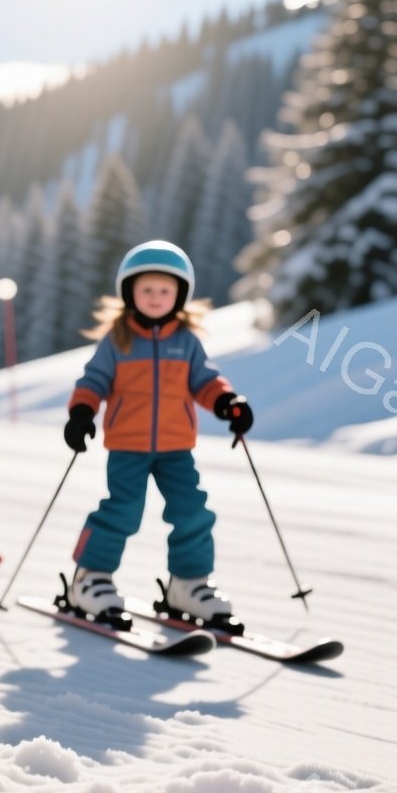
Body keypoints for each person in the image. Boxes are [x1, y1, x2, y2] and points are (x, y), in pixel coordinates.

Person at [61, 240, 254, 632]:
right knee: (122, 511)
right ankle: (90, 579)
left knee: (192, 511)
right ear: (128, 292)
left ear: (179, 295)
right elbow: (93, 380)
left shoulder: (186, 342)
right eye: (146, 289)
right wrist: (82, 412)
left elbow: (206, 381)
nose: (155, 297)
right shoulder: (118, 341)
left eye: (165, 290)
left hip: (175, 448)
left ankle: (189, 584)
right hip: (128, 447)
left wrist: (228, 403)